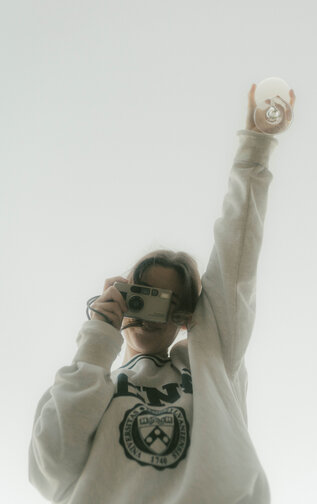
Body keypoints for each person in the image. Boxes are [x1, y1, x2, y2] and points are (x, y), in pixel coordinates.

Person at [28, 84, 296, 504]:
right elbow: (51, 468)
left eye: (168, 304)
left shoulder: (210, 365)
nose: (152, 314)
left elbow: (235, 266)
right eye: (143, 296)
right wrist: (97, 339)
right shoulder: (93, 380)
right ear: (123, 300)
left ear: (186, 316)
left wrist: (254, 152)